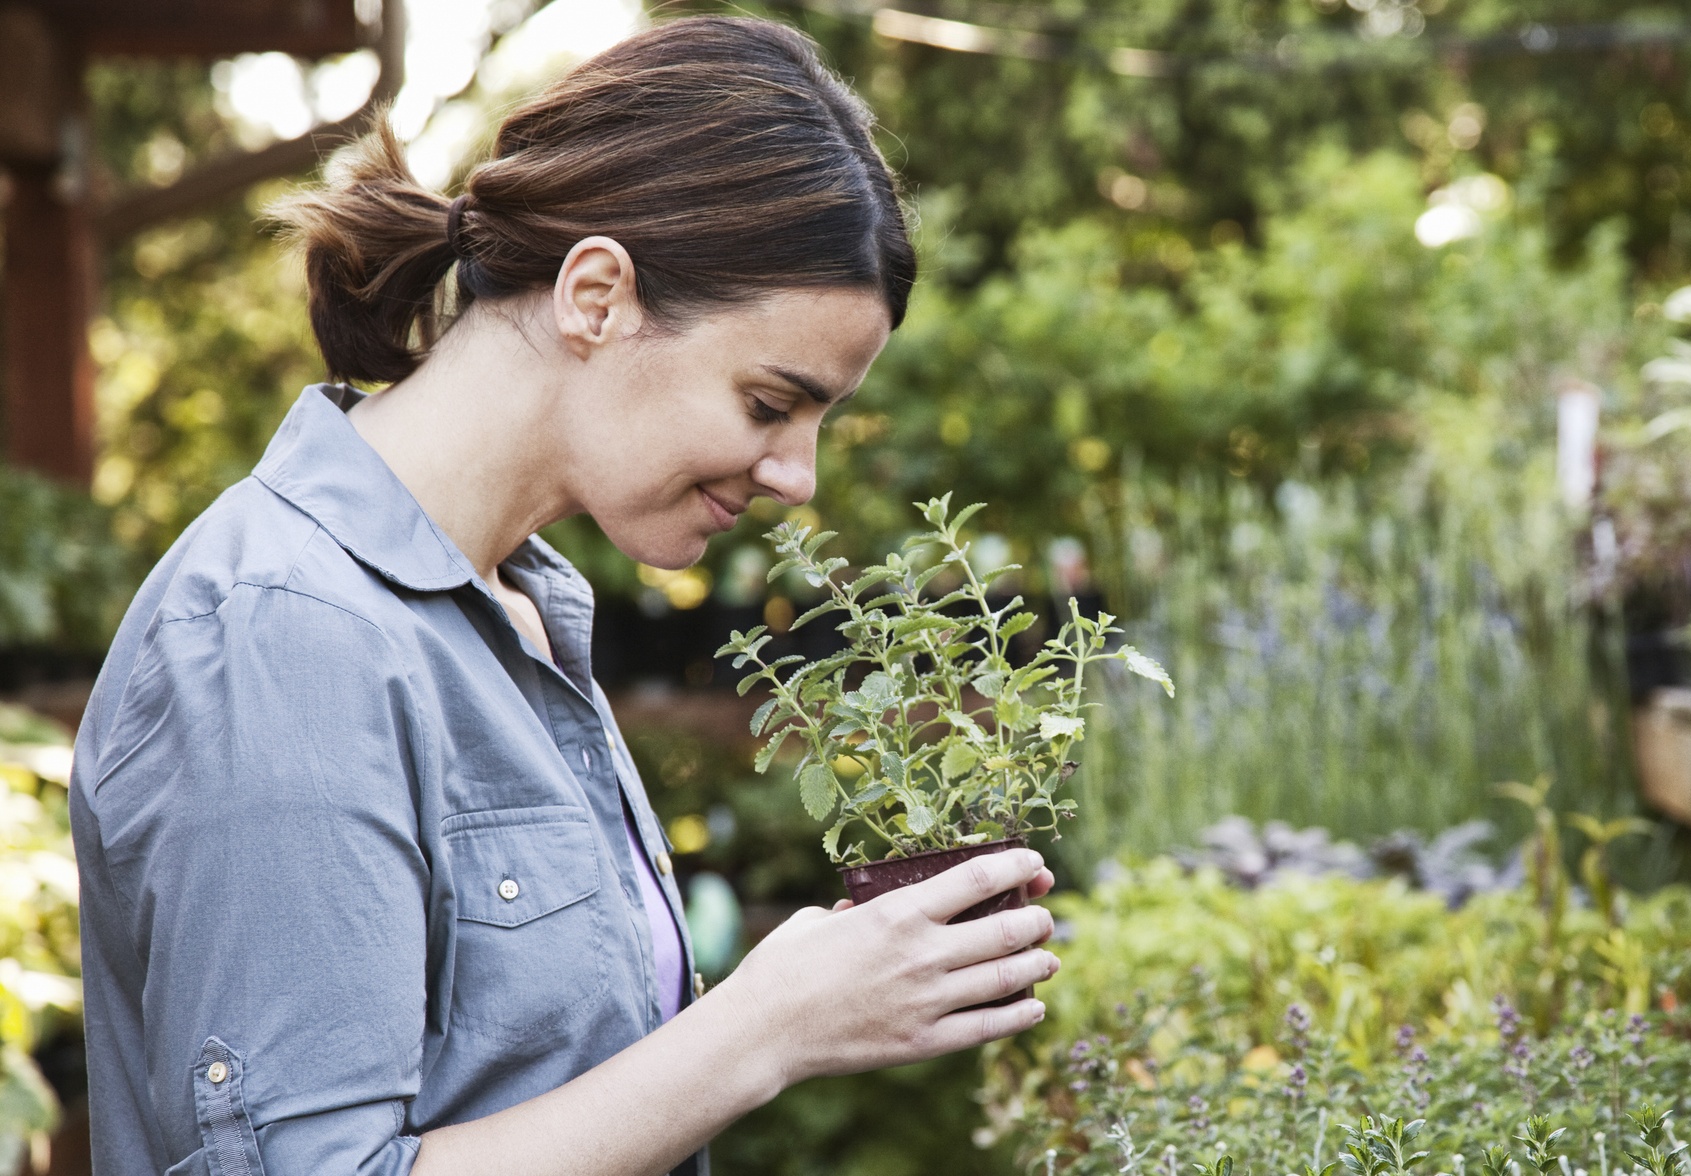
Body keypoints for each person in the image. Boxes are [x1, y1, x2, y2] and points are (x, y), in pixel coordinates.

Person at [67, 17, 1059, 1176]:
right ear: (597, 295)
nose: (799, 477)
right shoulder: (291, 634)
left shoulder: (521, 611)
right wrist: (765, 1029)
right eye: (767, 403)